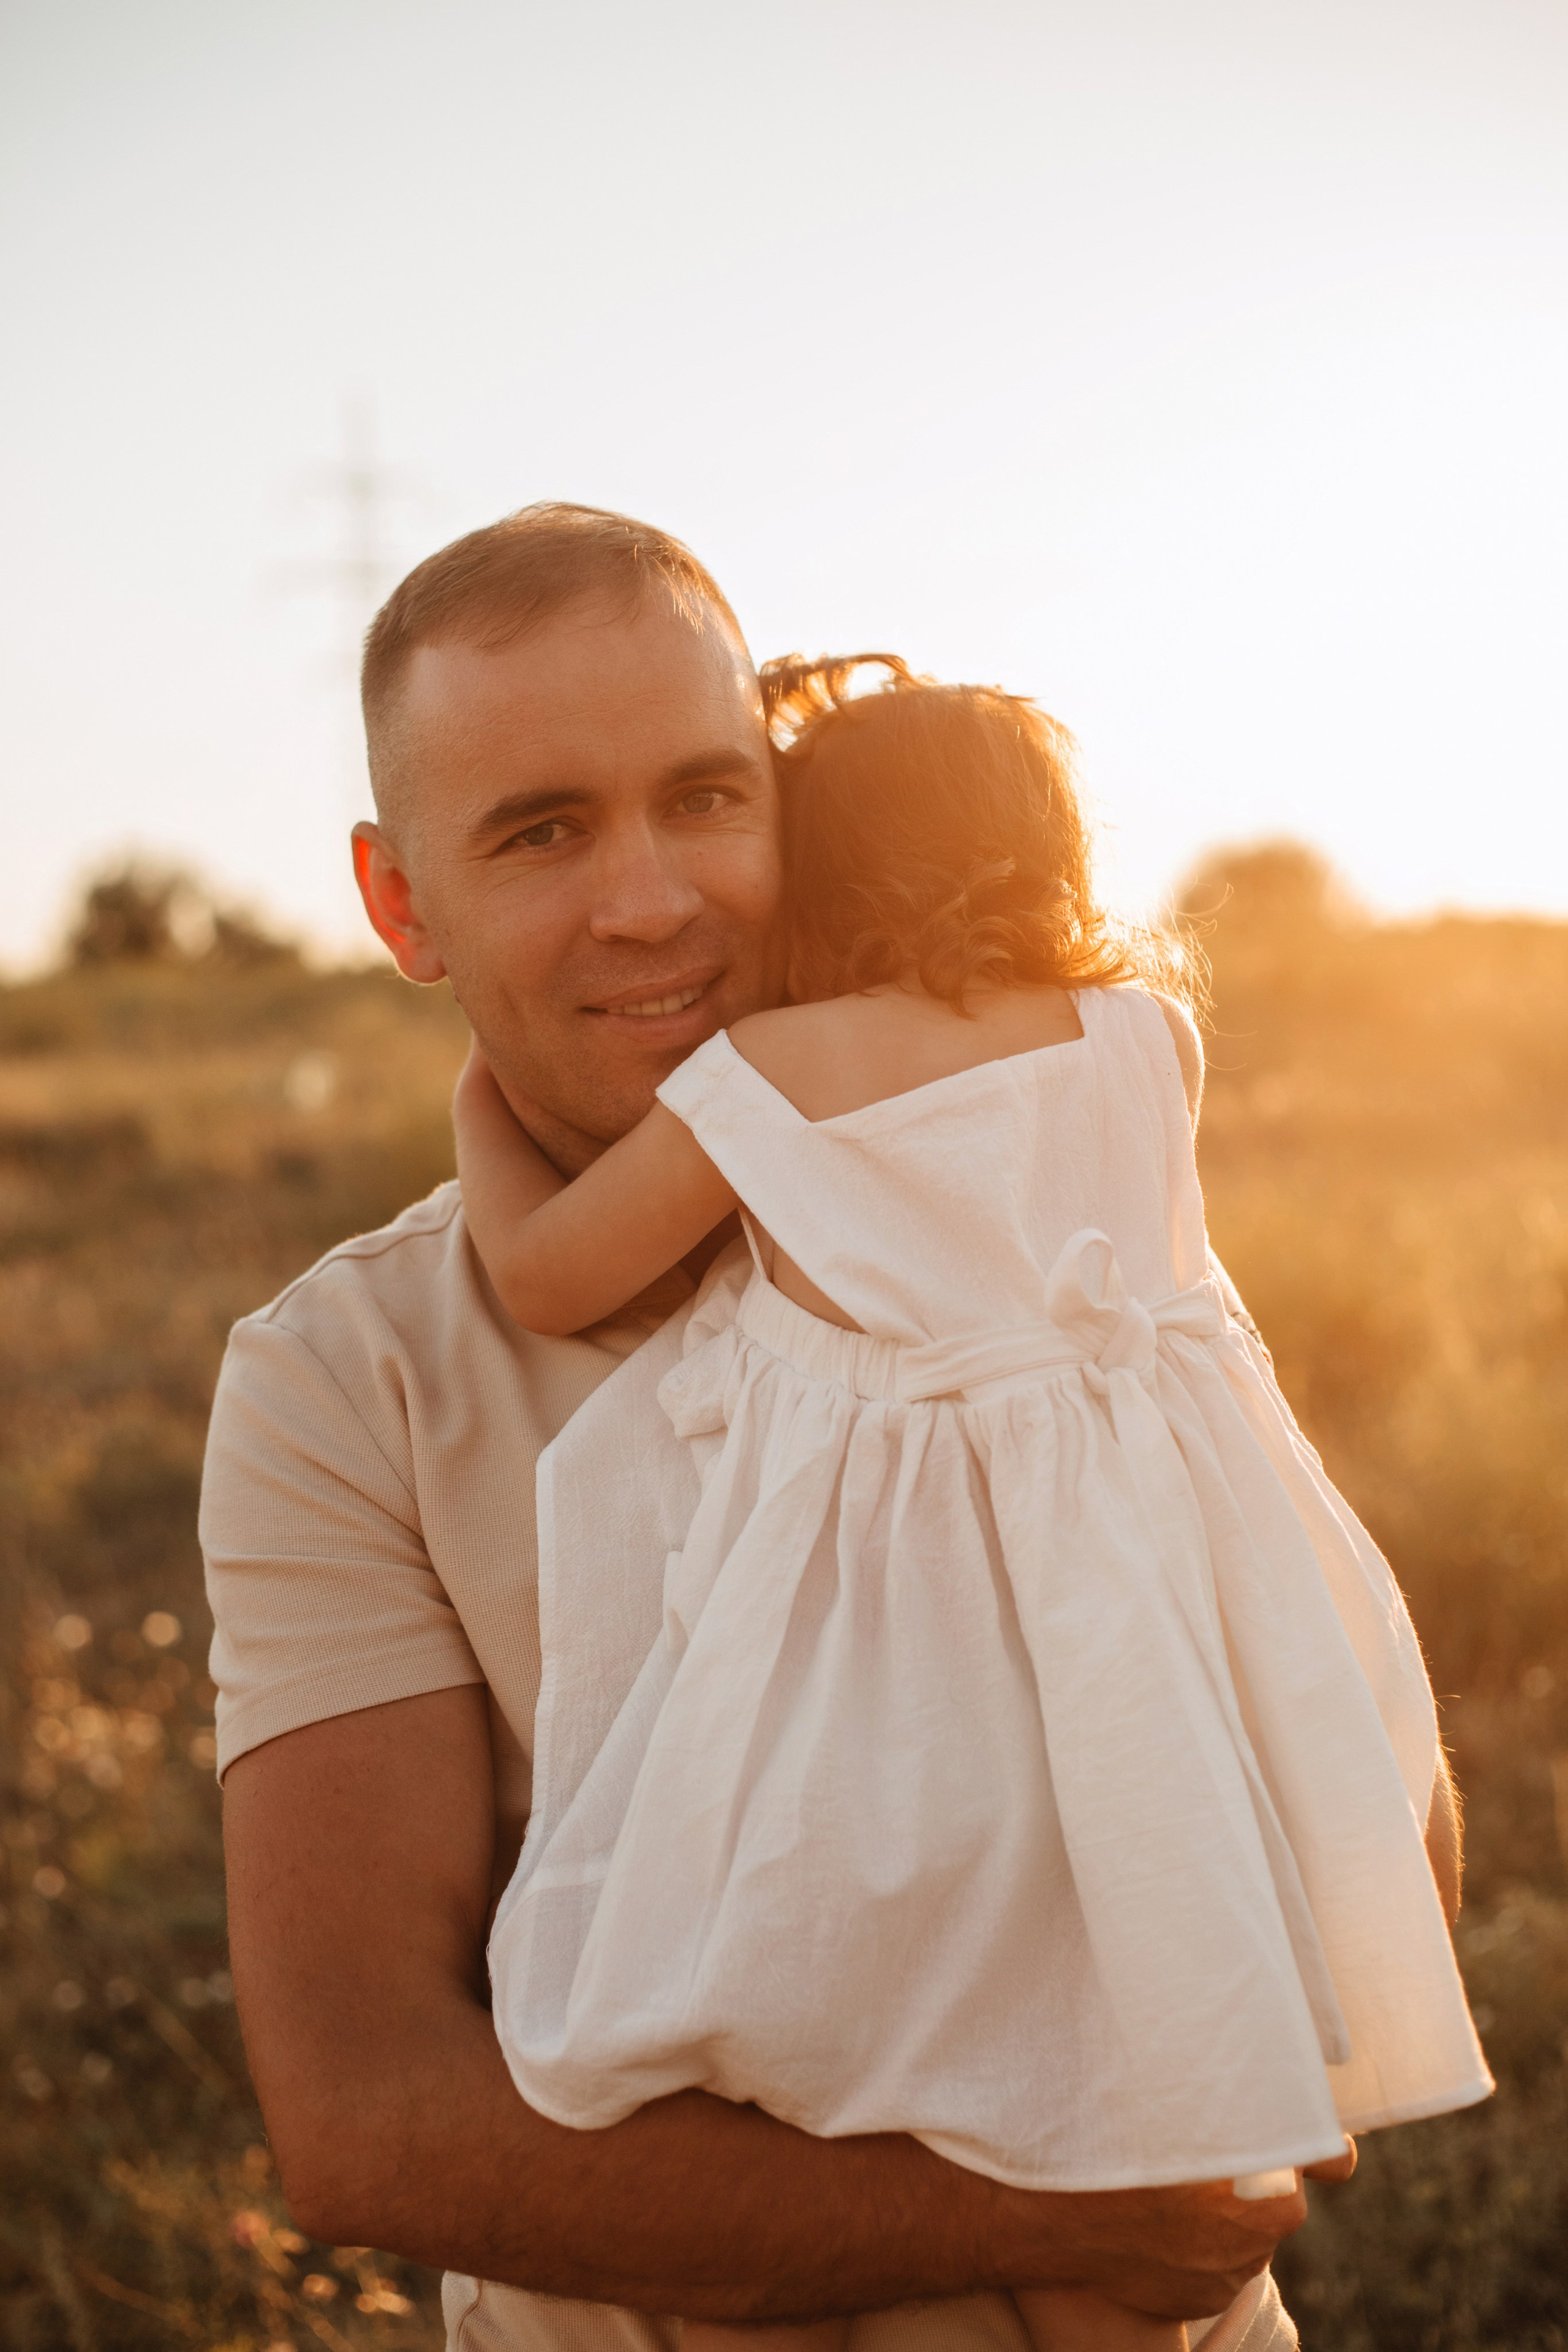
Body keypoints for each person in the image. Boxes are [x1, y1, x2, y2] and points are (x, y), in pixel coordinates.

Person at [203, 505, 1409, 2352]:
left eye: (707, 795)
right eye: (541, 832)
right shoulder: (338, 1382)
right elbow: (371, 2125)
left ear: (799, 805)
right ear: (398, 906)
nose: (653, 899)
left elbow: (1366, 1791)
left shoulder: (1043, 1227)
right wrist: (1079, 2205)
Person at [450, 652, 1489, 2352]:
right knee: (1128, 2147)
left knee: (908, 2068)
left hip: (905, 1683)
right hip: (1151, 1652)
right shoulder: (1151, 1035)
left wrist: (482, 1112)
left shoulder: (776, 1070)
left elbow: (549, 1277)